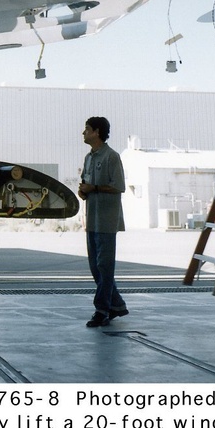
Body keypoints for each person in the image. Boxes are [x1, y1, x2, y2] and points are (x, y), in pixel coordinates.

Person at [78, 116, 128, 328]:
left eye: (87, 129)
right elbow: (87, 183)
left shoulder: (112, 157)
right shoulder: (89, 158)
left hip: (107, 220)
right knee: (96, 267)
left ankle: (102, 310)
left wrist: (94, 189)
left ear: (97, 132)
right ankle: (116, 305)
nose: (83, 133)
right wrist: (84, 190)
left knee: (104, 266)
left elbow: (119, 186)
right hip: (93, 218)